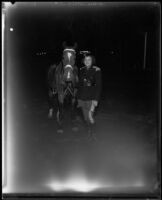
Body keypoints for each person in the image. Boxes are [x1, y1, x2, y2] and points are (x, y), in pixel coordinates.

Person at [77, 54, 102, 140]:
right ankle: (89, 130)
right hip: (82, 97)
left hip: (92, 98)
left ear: (92, 61)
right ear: (83, 61)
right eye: (86, 60)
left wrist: (96, 99)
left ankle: (93, 133)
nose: (87, 61)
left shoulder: (96, 70)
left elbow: (98, 86)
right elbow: (79, 85)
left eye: (89, 60)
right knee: (85, 118)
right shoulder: (81, 70)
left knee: (90, 117)